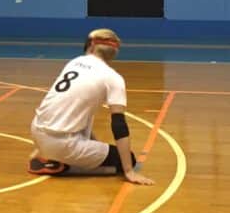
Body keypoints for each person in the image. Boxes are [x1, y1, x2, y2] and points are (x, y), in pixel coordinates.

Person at [29, 29, 153, 185]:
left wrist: (95, 146)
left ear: (91, 46)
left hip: (36, 131)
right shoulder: (113, 78)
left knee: (86, 114)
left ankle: (47, 152)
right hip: (63, 144)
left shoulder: (74, 62)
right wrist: (129, 170)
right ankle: (61, 165)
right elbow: (119, 125)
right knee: (127, 159)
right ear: (114, 52)